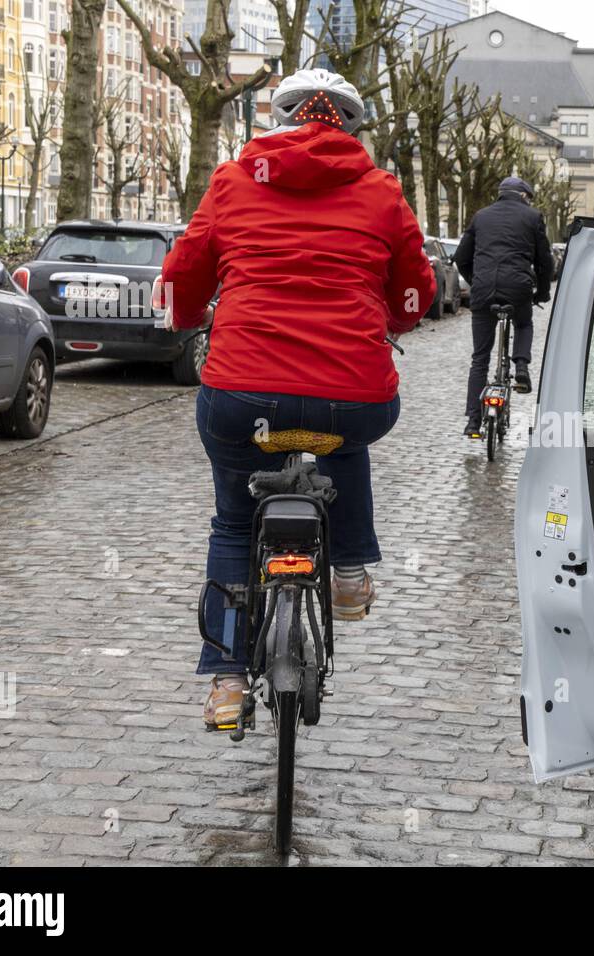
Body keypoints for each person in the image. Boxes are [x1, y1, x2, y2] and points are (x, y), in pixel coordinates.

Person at [159, 68, 436, 730]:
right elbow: (416, 291)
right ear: (353, 127)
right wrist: (388, 323)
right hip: (352, 394)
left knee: (232, 522)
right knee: (344, 434)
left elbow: (181, 278)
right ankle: (345, 570)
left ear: (273, 120)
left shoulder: (233, 181)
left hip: (240, 394)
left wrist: (188, 314)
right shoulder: (379, 190)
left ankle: (226, 681)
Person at [454, 176, 554, 438]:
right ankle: (521, 367)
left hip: (484, 289)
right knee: (523, 323)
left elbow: (461, 257)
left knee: (480, 358)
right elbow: (545, 262)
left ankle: (473, 422)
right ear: (524, 196)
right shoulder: (533, 217)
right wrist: (542, 293)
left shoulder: (481, 216)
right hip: (518, 288)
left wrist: (477, 280)